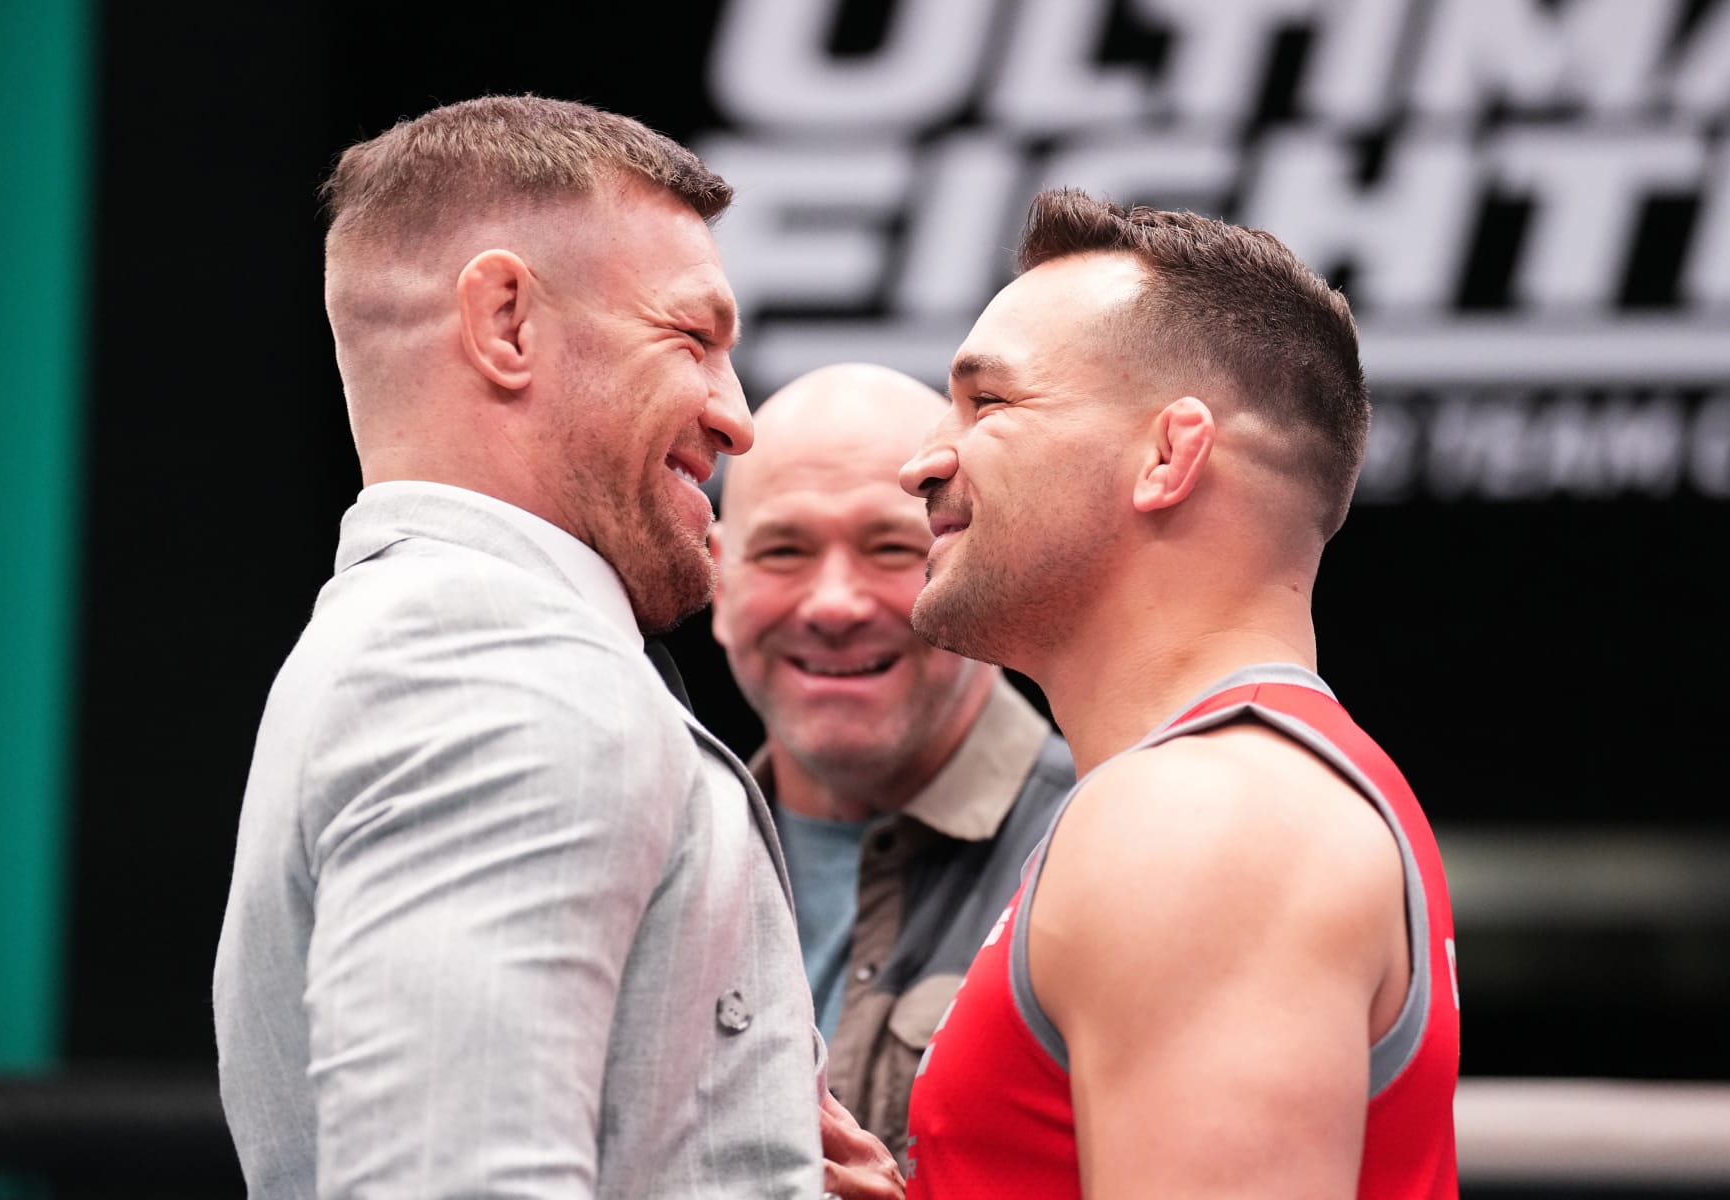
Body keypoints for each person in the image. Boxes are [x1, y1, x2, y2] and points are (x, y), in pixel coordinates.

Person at [212, 94, 900, 1200]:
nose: (738, 414)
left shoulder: (443, 642)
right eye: (693, 337)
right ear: (507, 324)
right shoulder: (488, 664)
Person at [897, 193, 1460, 1198]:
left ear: (1168, 455)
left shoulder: (1208, 820)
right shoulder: (1231, 794)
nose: (924, 460)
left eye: (990, 404)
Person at [708, 363, 1076, 1158]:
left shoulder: (1108, 848)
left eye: (888, 546)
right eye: (782, 550)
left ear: (979, 564)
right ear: (718, 577)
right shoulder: (660, 854)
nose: (835, 603)